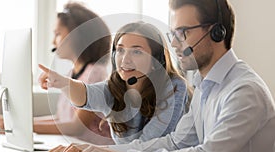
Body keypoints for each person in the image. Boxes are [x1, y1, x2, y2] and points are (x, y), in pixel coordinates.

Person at [42, 0, 275, 152]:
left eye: (183, 32)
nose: (173, 43)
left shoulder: (243, 91)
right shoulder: (206, 84)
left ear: (217, 33)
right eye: (173, 33)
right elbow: (175, 142)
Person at [38, 21, 192, 145]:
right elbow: (87, 94)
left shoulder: (174, 87)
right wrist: (62, 83)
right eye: (120, 50)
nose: (125, 59)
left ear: (156, 61)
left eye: (136, 51)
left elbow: (149, 145)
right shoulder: (115, 86)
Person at [0, 2, 112, 145]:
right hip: (73, 147)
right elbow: (61, 119)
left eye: (57, 34)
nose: (53, 42)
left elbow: (76, 127)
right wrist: (18, 123)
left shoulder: (95, 73)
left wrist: (20, 126)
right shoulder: (71, 73)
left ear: (77, 35)